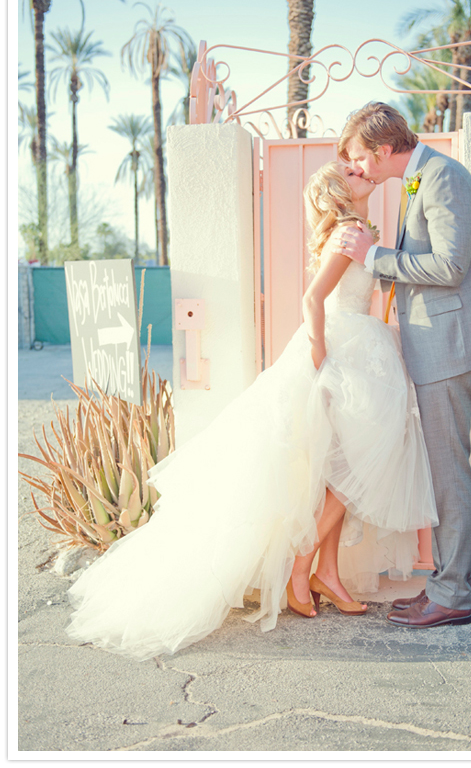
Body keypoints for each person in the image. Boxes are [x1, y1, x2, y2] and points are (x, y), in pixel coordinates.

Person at [66, 161, 437, 661]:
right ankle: (302, 566)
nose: (360, 170)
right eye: (350, 173)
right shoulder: (351, 230)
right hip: (343, 351)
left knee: (341, 464)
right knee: (355, 467)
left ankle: (325, 574)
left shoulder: (363, 230)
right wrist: (322, 355)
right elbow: (313, 299)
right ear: (338, 197)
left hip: (364, 347)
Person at [334, 102, 471, 629]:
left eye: (361, 157)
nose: (358, 166)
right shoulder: (420, 178)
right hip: (437, 345)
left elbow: (451, 266)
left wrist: (373, 256)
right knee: (444, 471)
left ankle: (452, 596)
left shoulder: (442, 177)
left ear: (385, 151)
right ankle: (444, 586)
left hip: (450, 346)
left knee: (451, 475)